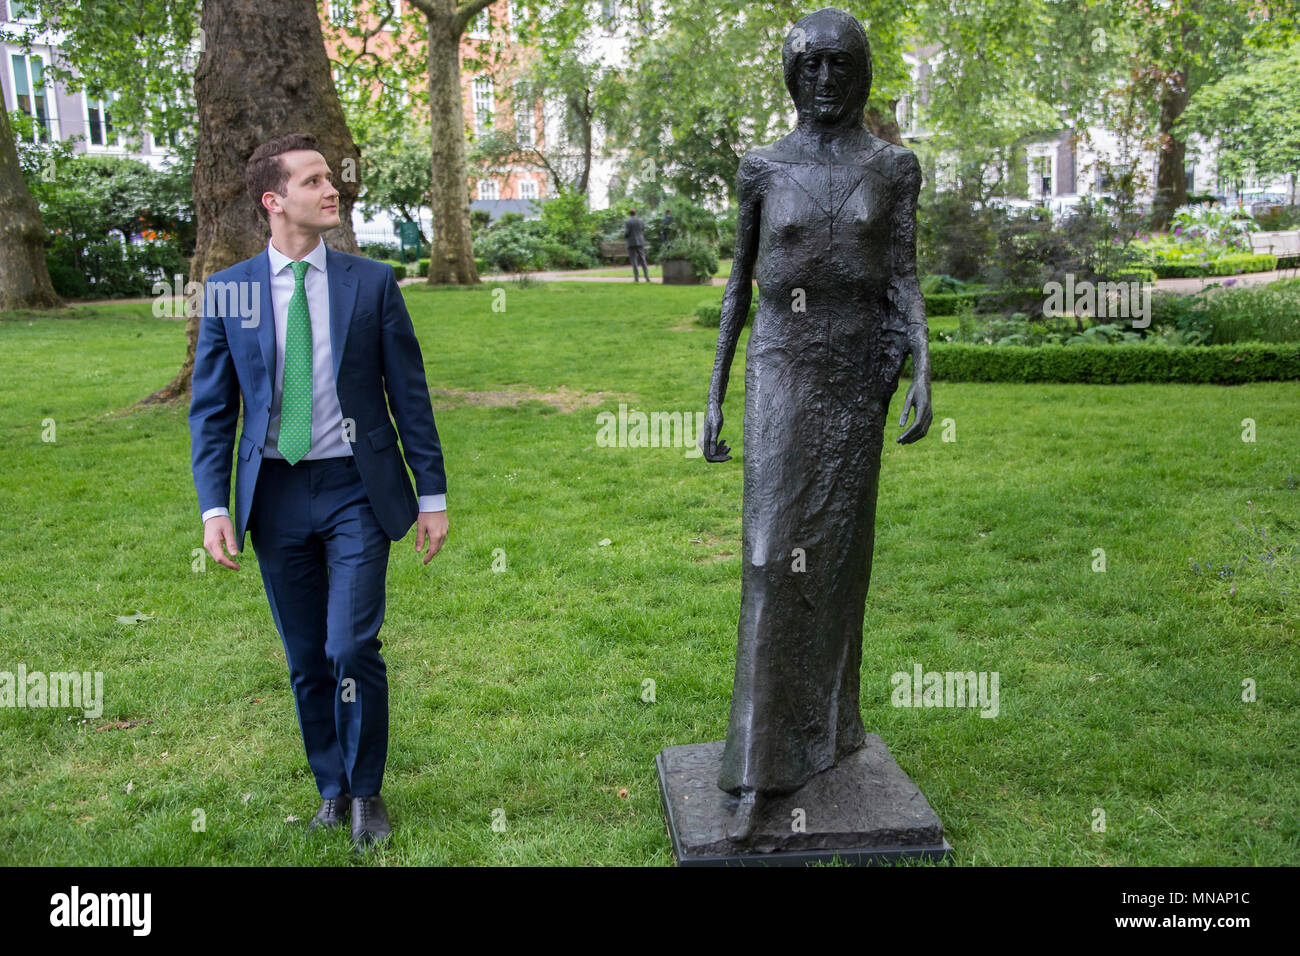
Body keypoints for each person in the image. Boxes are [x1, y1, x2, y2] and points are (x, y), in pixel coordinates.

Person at [701, 8, 932, 841]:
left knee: (834, 561)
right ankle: (756, 772)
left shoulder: (893, 167)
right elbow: (740, 287)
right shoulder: (762, 167)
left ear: (860, 72)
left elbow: (903, 276)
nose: (826, 81)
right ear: (792, 75)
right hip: (783, 373)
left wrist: (922, 368)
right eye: (811, 67)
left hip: (857, 376)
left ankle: (827, 733)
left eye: (840, 65)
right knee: (769, 555)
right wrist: (714, 396)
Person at [189, 132, 449, 853]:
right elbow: (212, 410)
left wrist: (431, 495)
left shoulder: (370, 284)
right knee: (306, 656)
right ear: (274, 201)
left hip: (355, 491)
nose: (331, 189)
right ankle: (330, 789)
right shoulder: (230, 291)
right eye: (312, 181)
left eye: (331, 178)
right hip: (273, 496)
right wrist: (216, 506)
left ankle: (368, 792)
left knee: (349, 645)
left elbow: (411, 396)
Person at [624, 208, 650, 281]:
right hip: (640, 242)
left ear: (629, 213)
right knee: (643, 259)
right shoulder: (640, 220)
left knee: (634, 260)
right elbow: (642, 229)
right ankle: (647, 277)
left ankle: (636, 278)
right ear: (635, 213)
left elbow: (626, 233)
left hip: (631, 243)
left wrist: (625, 236)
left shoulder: (627, 222)